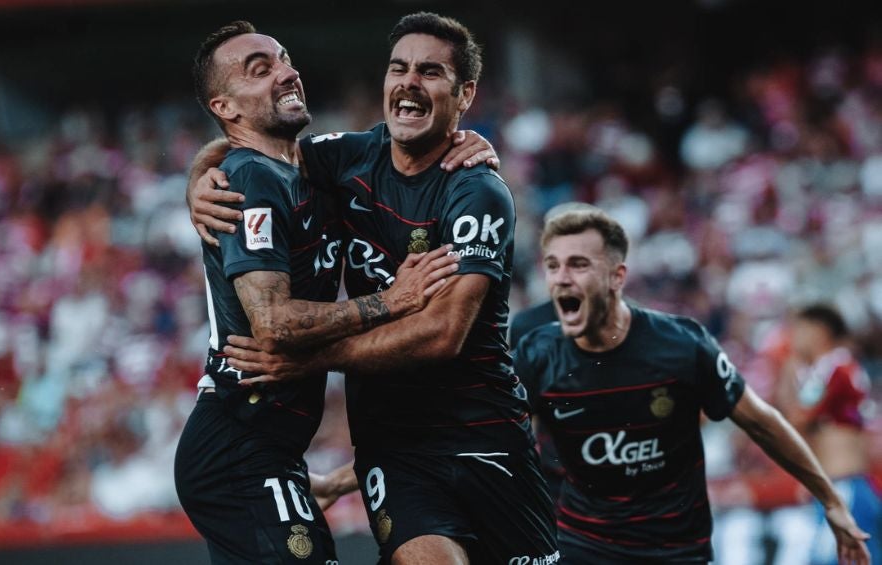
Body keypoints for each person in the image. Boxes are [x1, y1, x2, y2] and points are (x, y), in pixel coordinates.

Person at [195, 12, 560, 565]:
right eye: (398, 68)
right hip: (393, 449)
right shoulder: (348, 156)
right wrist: (198, 184)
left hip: (487, 433)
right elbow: (249, 148)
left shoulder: (476, 192)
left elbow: (442, 333)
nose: (409, 82)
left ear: (464, 95)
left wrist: (310, 359)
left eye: (430, 72)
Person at [173, 21, 462, 564]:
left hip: (271, 448)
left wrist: (466, 138)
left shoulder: (311, 167)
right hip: (238, 445)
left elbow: (410, 136)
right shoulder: (252, 179)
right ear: (225, 107)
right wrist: (390, 301)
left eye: (284, 59)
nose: (287, 72)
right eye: (260, 70)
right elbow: (273, 323)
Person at [512, 206, 870, 564]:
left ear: (617, 277)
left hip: (674, 549)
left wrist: (831, 501)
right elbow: (499, 436)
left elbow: (762, 423)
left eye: (578, 264)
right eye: (553, 266)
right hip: (583, 545)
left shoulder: (680, 346)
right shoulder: (536, 352)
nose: (561, 278)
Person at [782, 304, 881, 565]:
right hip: (841, 485)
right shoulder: (830, 368)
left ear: (820, 331)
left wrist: (788, 370)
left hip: (844, 486)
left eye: (800, 329)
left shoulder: (834, 366)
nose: (794, 337)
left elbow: (797, 420)